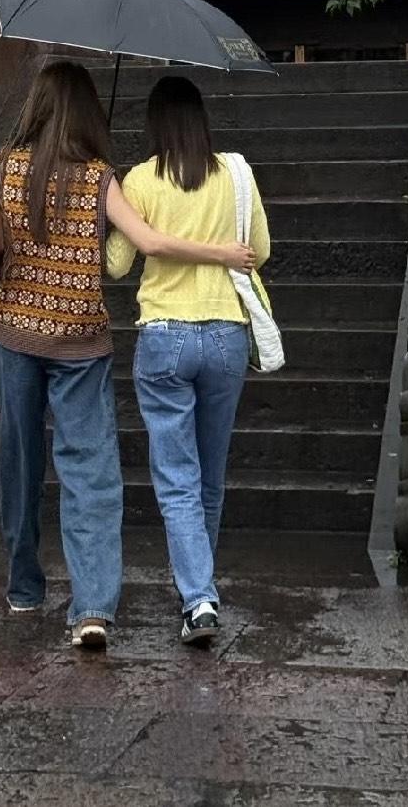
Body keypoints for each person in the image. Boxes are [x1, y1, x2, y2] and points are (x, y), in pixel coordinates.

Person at [0, 60, 256, 653]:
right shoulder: (100, 178)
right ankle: (92, 607)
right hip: (79, 341)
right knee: (90, 474)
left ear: (37, 108)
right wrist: (220, 252)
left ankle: (24, 587)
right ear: (86, 114)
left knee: (17, 458)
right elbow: (145, 245)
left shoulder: (1, 165)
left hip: (14, 333)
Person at [106, 74, 271, 646]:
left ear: (155, 122)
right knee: (210, 474)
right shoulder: (236, 174)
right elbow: (261, 252)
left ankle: (198, 599)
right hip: (227, 331)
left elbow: (119, 265)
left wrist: (116, 217)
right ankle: (198, 592)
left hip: (165, 335)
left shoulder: (141, 179)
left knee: (177, 477)